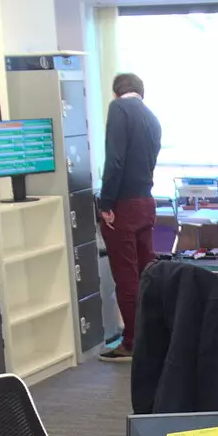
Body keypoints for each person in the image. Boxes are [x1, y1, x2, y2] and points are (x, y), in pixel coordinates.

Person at [96, 72, 162, 363]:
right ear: (141, 92)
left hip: (123, 205)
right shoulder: (151, 116)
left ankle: (133, 342)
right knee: (147, 273)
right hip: (146, 201)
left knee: (126, 277)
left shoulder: (119, 109)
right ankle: (155, 336)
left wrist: (105, 202)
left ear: (115, 93)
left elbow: (115, 160)